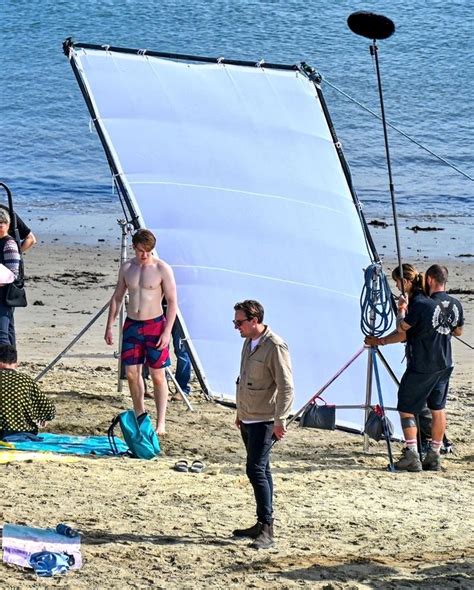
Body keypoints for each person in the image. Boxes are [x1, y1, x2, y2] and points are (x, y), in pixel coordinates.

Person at [366, 263, 464, 472]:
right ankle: (434, 455)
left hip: (423, 364)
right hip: (445, 363)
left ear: (428, 279)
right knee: (438, 409)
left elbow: (402, 329)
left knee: (406, 407)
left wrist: (401, 310)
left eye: (399, 282)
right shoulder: (454, 304)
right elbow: (458, 332)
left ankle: (412, 454)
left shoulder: (421, 304)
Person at [233, 300, 294, 549]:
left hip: (265, 420)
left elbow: (286, 386)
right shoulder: (249, 342)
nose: (236, 327)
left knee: (255, 470)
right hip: (248, 417)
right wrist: (239, 412)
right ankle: (261, 524)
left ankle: (267, 528)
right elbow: (244, 377)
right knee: (262, 470)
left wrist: (280, 421)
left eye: (239, 322)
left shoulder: (275, 346)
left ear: (254, 320)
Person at [104, 229, 177, 435]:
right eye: (140, 251)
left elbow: (172, 302)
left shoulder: (162, 268)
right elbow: (118, 296)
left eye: (148, 251)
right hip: (132, 325)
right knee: (132, 373)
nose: (144, 255)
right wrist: (110, 325)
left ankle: (161, 422)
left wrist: (167, 331)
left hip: (155, 325)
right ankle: (140, 414)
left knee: (157, 375)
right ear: (134, 248)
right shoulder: (127, 267)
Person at [0, 344, 55, 440]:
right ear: (16, 363)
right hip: (23, 433)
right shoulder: (25, 380)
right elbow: (49, 410)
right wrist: (43, 416)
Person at [0, 209, 21, 345]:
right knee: (8, 328)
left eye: (1, 224)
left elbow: (12, 273)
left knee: (2, 331)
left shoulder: (9, 244)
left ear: (7, 225)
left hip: (5, 291)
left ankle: (5, 360)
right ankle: (9, 361)